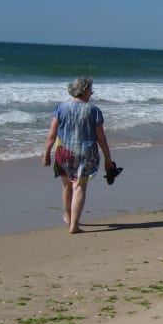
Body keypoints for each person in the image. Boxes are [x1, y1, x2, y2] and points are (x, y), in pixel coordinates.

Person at [42, 76, 114, 234]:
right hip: (85, 153)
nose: (92, 93)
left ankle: (68, 218)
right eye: (91, 90)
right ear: (85, 91)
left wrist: (46, 153)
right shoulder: (93, 110)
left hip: (63, 151)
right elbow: (101, 137)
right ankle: (74, 225)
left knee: (67, 186)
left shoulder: (60, 108)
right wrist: (108, 158)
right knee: (79, 186)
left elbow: (52, 134)